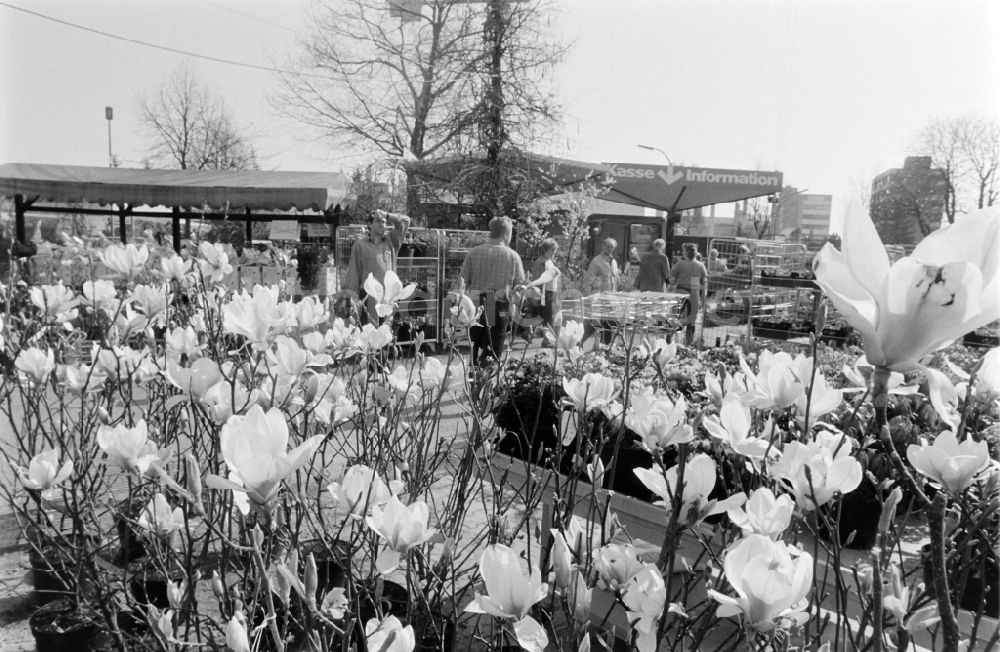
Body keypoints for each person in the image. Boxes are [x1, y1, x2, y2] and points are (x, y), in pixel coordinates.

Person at [460, 216, 526, 366]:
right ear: (506, 233)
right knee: (491, 354)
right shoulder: (513, 256)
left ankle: (473, 383)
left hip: (475, 305)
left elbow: (462, 282)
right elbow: (520, 287)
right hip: (496, 305)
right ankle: (486, 385)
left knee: (473, 349)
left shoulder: (474, 252)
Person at [342, 209, 411, 323]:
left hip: (388, 297)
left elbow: (405, 221)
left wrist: (387, 215)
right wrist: (352, 299)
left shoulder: (392, 241)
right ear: (369, 224)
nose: (381, 224)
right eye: (378, 221)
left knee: (386, 333)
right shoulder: (360, 245)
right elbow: (353, 273)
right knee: (370, 333)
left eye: (384, 222)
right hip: (369, 297)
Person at [669, 242, 708, 345]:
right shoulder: (700, 266)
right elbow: (703, 283)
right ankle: (688, 344)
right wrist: (703, 299)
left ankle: (669, 342)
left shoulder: (679, 264)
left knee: (675, 316)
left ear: (685, 252)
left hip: (681, 291)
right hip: (694, 293)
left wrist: (673, 283)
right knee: (692, 320)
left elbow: (672, 280)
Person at [530, 238, 561, 331]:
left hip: (550, 292)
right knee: (547, 318)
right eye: (552, 250)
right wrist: (535, 298)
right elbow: (536, 280)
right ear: (545, 250)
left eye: (554, 250)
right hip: (544, 293)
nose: (554, 252)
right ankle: (547, 339)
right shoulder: (541, 262)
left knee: (548, 317)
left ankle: (546, 338)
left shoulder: (548, 261)